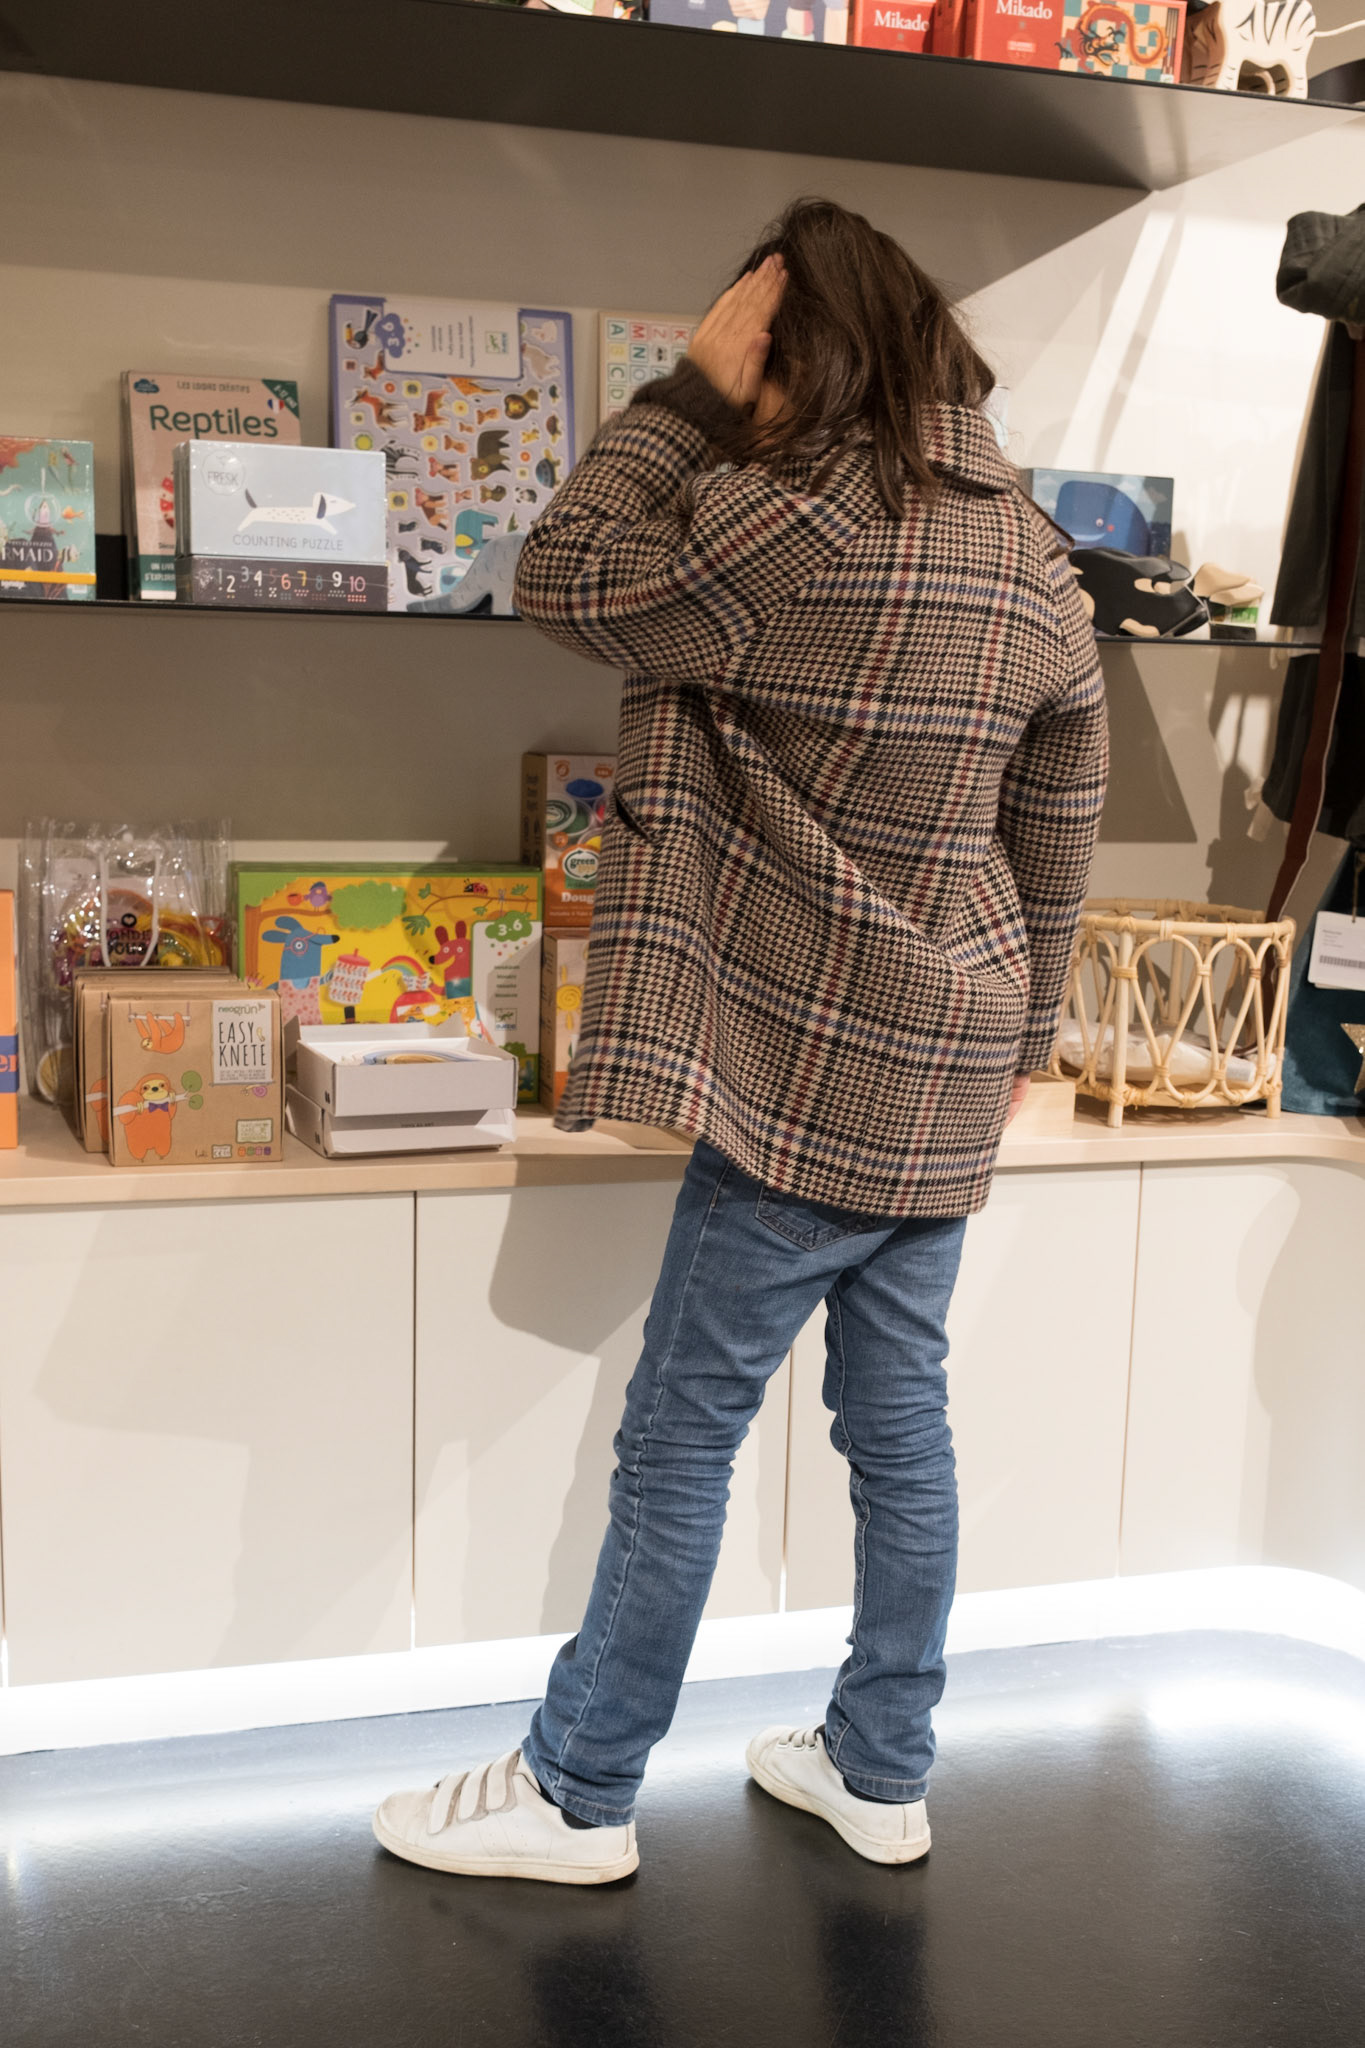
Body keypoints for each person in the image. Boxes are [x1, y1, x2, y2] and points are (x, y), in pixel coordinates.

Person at [374, 197, 1108, 1885]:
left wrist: (678, 402)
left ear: (787, 348)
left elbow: (559, 575)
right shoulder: (1031, 552)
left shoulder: (783, 525)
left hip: (800, 1059)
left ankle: (578, 1792)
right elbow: (1060, 816)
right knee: (901, 1427)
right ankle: (881, 1768)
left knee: (679, 1435)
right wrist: (1025, 1031)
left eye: (743, 348)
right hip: (950, 1054)